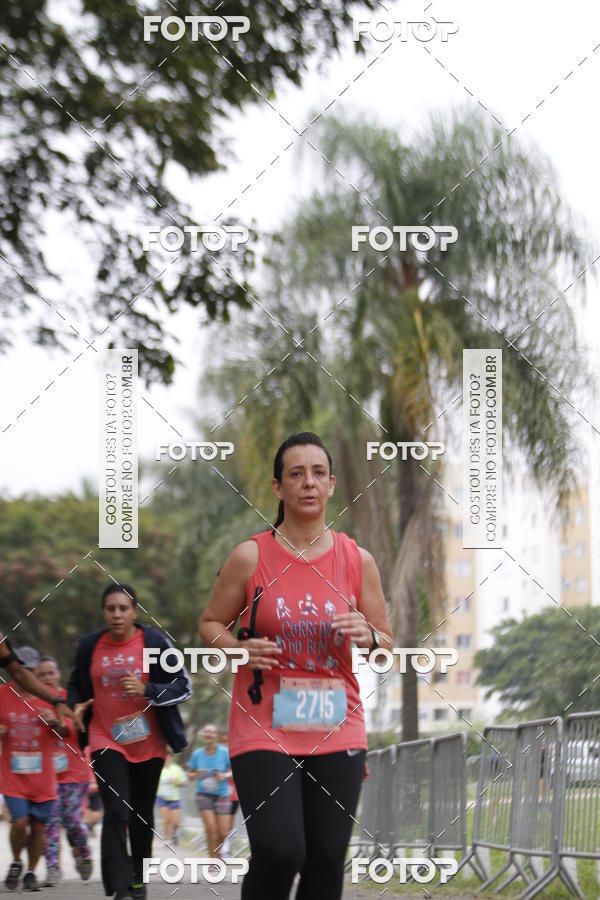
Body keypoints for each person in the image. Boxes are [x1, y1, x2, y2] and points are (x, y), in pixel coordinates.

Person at [199, 432, 393, 900]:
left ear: (331, 486)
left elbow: (385, 646)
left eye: (318, 473)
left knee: (326, 859)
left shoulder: (356, 560)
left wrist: (368, 635)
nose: (309, 483)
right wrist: (239, 649)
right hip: (263, 725)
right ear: (278, 487)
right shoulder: (251, 556)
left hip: (338, 725)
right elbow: (209, 624)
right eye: (296, 474)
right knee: (282, 850)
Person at [67, 583, 192, 900]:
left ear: (135, 612)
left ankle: (138, 877)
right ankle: (121, 885)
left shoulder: (153, 642)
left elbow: (183, 686)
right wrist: (75, 705)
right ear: (103, 612)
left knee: (141, 814)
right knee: (115, 811)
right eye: (111, 608)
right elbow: (76, 686)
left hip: (148, 742)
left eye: (124, 608)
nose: (117, 614)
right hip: (105, 736)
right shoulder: (90, 646)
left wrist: (148, 690)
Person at [0, 646, 62, 892]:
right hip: (12, 773)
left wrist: (56, 721)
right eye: (20, 666)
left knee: (39, 826)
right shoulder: (2, 694)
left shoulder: (50, 696)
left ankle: (30, 872)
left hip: (43, 776)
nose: (23, 671)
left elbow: (67, 732)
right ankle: (16, 861)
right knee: (19, 822)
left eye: (29, 668)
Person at [34, 655, 92, 886]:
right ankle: (52, 869)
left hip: (74, 774)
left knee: (71, 821)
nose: (47, 677)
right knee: (50, 821)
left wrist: (57, 723)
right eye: (41, 675)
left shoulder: (71, 700)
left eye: (50, 673)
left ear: (58, 674)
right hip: (45, 775)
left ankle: (83, 851)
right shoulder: (33, 702)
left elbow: (77, 732)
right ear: (34, 678)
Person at [0, 635, 72, 727]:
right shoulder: (2, 692)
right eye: (22, 669)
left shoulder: (61, 696)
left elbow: (73, 732)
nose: (47, 677)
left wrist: (55, 722)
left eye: (30, 669)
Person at [187, 724, 232, 867]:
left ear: (216, 736)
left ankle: (218, 853)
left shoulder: (224, 752)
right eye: (206, 732)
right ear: (203, 735)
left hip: (222, 794)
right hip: (203, 794)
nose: (209, 735)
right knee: (211, 828)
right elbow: (190, 775)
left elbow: (233, 771)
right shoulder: (197, 754)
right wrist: (196, 774)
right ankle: (212, 859)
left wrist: (224, 775)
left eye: (212, 733)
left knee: (223, 831)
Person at [156, 751, 187, 845]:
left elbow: (183, 783)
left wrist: (176, 781)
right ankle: (166, 840)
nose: (166, 759)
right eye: (165, 757)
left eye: (168, 757)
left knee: (176, 822)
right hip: (162, 798)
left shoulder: (177, 769)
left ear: (171, 759)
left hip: (174, 798)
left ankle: (174, 835)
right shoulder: (158, 768)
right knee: (167, 819)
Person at [218, 728, 238, 856]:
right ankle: (218, 849)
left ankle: (225, 850)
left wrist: (225, 775)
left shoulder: (236, 753)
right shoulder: (217, 754)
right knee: (218, 824)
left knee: (228, 824)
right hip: (218, 793)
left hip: (233, 795)